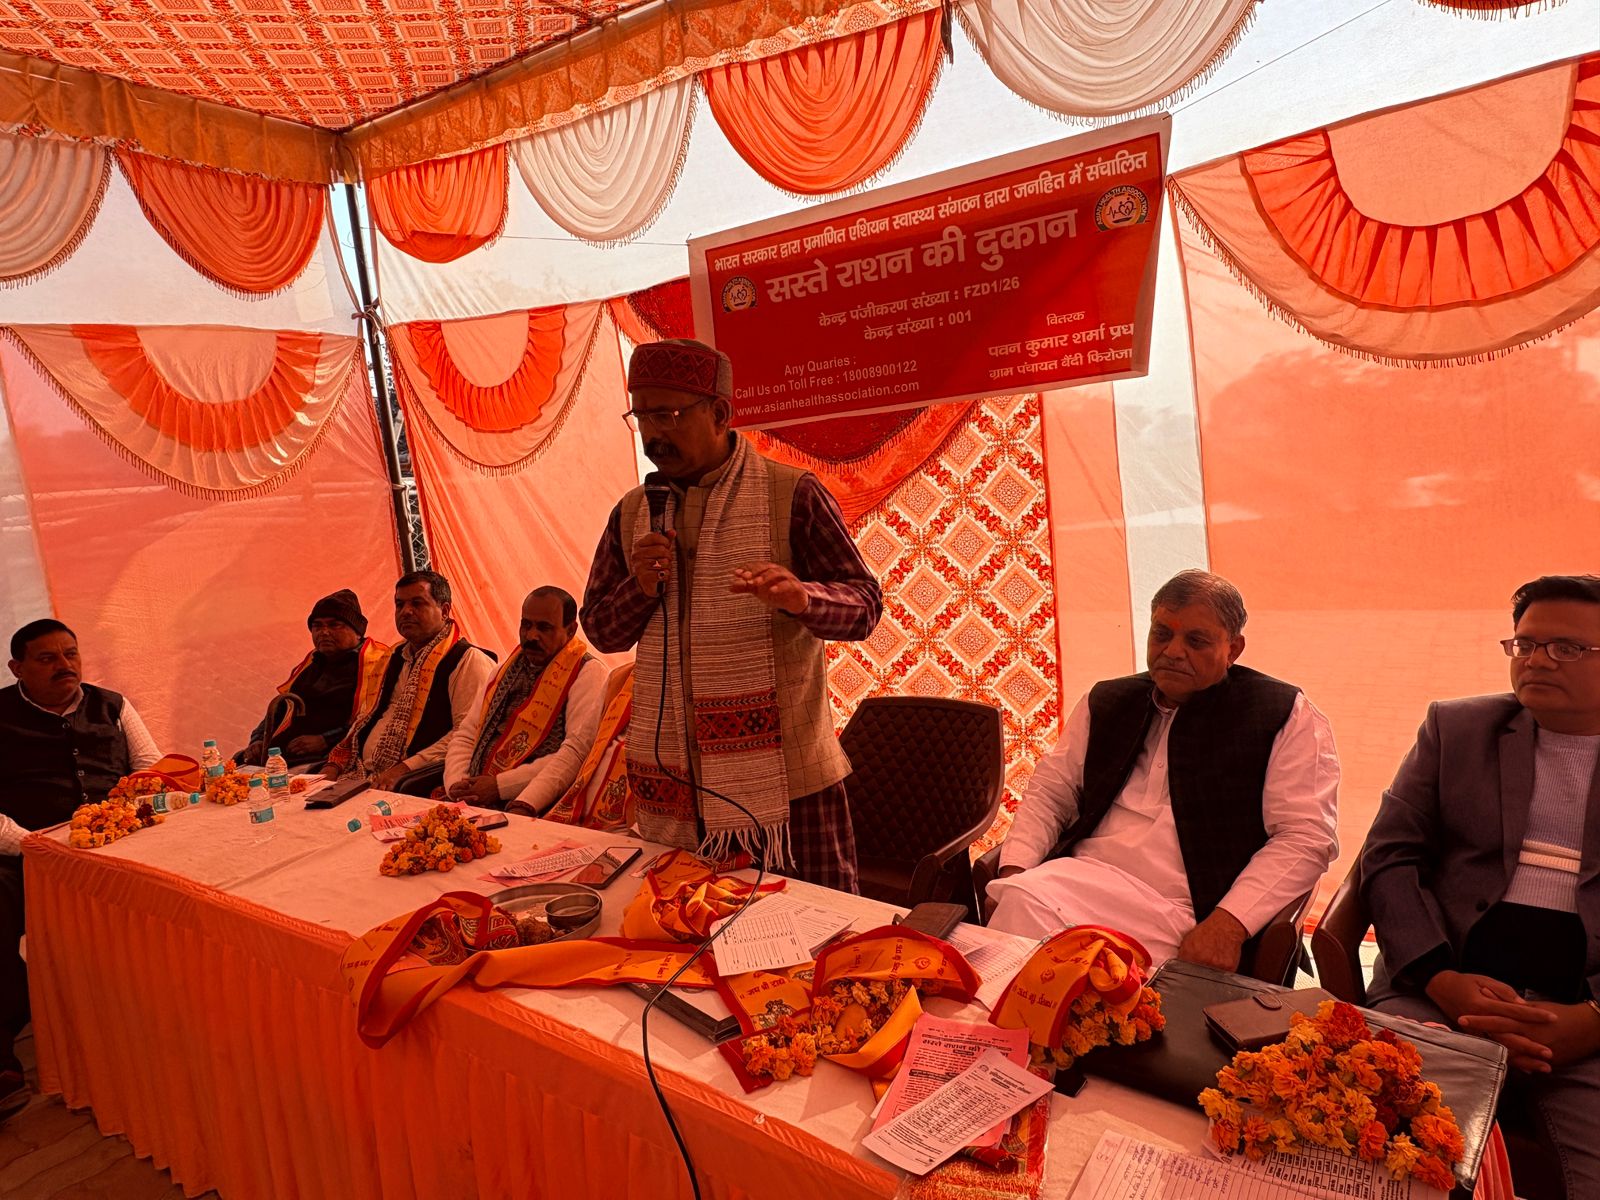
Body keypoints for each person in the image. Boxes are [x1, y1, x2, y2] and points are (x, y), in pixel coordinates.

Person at [581, 339, 882, 892]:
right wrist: (639, 588)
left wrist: (803, 598)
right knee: (689, 931)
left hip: (787, 791)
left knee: (815, 932)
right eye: (641, 415)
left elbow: (865, 607)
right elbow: (601, 631)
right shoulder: (632, 512)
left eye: (668, 415)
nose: (653, 434)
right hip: (674, 793)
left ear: (720, 413)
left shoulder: (792, 494)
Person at [1362, 575, 1600, 1199]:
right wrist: (1440, 979)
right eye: (1525, 644)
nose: (1537, 660)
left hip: (1584, 1014)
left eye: (1567, 648)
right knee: (1388, 1157)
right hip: (1441, 991)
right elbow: (1389, 857)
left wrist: (1593, 1021)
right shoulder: (1457, 728)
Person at [987, 570, 1339, 968]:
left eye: (1196, 641)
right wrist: (1015, 869)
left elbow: (1305, 836)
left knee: (1097, 989)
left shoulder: (1283, 714)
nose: (1173, 651)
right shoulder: (1107, 701)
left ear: (1233, 649)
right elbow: (1051, 792)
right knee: (1016, 924)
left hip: (1187, 914)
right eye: (1162, 634)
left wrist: (1227, 925)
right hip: (1071, 884)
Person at [0, 619, 162, 1119]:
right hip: (29, 851)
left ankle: (167, 1018)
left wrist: (132, 813)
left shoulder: (112, 704)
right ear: (17, 668)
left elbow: (151, 766)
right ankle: (3, 1055)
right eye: (47, 658)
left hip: (123, 838)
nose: (65, 666)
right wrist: (32, 846)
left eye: (71, 654)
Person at [323, 571, 493, 791]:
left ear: (444, 611)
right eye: (399, 604)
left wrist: (404, 769)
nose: (406, 611)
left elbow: (468, 735)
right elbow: (366, 717)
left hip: (416, 782)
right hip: (361, 773)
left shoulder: (468, 661)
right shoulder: (393, 657)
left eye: (417, 603)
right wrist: (334, 764)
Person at [442, 586, 606, 813]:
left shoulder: (587, 673)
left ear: (570, 630)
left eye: (544, 628)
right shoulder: (503, 671)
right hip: (472, 797)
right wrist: (457, 785)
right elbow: (467, 735)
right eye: (526, 625)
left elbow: (575, 753)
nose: (531, 636)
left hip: (534, 803)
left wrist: (500, 787)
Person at [235, 589, 388, 766]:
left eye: (334, 625)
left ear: (357, 632)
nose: (324, 632)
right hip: (285, 752)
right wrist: (258, 740)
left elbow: (376, 717)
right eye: (317, 626)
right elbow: (280, 709)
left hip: (334, 755)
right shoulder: (311, 665)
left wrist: (325, 740)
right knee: (237, 765)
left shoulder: (377, 664)